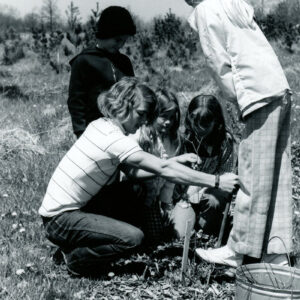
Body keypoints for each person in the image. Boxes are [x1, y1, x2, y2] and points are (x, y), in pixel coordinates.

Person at [39, 77, 238, 276]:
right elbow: (162, 169)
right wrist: (216, 181)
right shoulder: (115, 139)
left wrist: (172, 162)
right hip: (60, 220)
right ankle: (76, 259)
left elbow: (136, 171)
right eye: (141, 114)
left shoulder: (101, 125)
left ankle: (84, 240)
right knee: (133, 238)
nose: (144, 121)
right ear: (123, 105)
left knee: (134, 189)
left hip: (67, 211)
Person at [184, 0, 293, 267]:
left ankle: (237, 249)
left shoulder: (206, 10)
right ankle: (276, 253)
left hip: (256, 94)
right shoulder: (231, 3)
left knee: (252, 175)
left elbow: (218, 64)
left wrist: (238, 102)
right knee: (275, 175)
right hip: (277, 87)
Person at [173, 94, 237, 238]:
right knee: (180, 234)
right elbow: (173, 169)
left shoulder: (224, 141)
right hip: (184, 192)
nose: (200, 129)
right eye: (196, 124)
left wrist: (205, 186)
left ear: (216, 121)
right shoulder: (183, 137)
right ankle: (190, 223)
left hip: (212, 189)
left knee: (212, 201)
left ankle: (207, 232)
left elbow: (224, 173)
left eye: (206, 125)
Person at [67, 6, 136, 138]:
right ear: (105, 33)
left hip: (124, 129)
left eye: (124, 40)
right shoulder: (84, 61)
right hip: (94, 131)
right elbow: (76, 102)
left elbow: (133, 94)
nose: (120, 45)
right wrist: (80, 132)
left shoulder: (124, 62)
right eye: (117, 40)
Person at [129, 89, 182, 245]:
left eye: (172, 118)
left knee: (157, 238)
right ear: (152, 115)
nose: (168, 122)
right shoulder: (141, 136)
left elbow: (170, 177)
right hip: (135, 195)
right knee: (137, 237)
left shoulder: (172, 141)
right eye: (163, 116)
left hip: (152, 200)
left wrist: (166, 202)